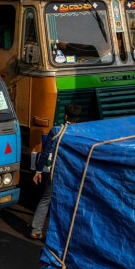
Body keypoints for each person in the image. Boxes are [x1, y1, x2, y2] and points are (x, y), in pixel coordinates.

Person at [30, 103, 82, 240]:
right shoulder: (81, 131)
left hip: (57, 171)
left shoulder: (57, 130)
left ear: (65, 116)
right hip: (74, 173)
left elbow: (46, 152)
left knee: (46, 199)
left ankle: (36, 230)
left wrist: (39, 171)